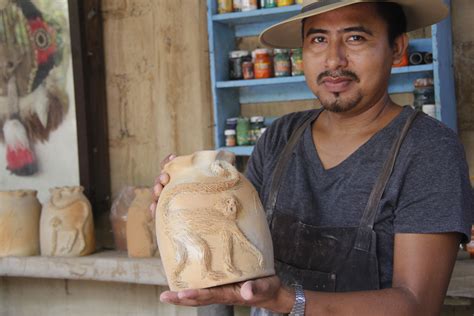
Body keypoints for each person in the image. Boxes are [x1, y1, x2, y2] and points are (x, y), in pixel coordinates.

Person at [150, 1, 473, 315]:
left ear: (397, 47)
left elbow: (417, 304)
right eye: (318, 39)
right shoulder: (280, 136)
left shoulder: (429, 149)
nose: (334, 60)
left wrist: (288, 301)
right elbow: (243, 247)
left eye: (355, 38)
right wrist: (185, 210)